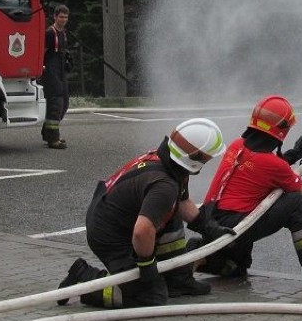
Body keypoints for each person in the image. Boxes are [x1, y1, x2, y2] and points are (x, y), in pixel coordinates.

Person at [56, 118, 235, 308]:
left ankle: (178, 280)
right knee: (150, 296)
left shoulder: (171, 166)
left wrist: (210, 228)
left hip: (117, 220)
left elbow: (181, 203)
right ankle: (83, 277)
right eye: (208, 156)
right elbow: (142, 231)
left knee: (170, 213)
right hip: (110, 237)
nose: (210, 160)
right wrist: (146, 265)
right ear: (195, 156)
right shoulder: (164, 185)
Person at [194, 95, 302, 289]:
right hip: (238, 227)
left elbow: (263, 171)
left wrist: (294, 154)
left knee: (237, 269)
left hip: (214, 222)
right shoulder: (272, 164)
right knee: (298, 203)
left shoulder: (238, 145)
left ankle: (205, 257)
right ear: (282, 130)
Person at [41, 4, 71, 149]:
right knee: (56, 104)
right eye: (61, 17)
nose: (63, 20)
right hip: (51, 70)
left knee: (65, 103)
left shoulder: (63, 32)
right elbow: (42, 51)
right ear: (55, 17)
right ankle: (53, 139)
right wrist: (42, 66)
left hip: (61, 70)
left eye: (65, 17)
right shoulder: (49, 32)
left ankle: (47, 132)